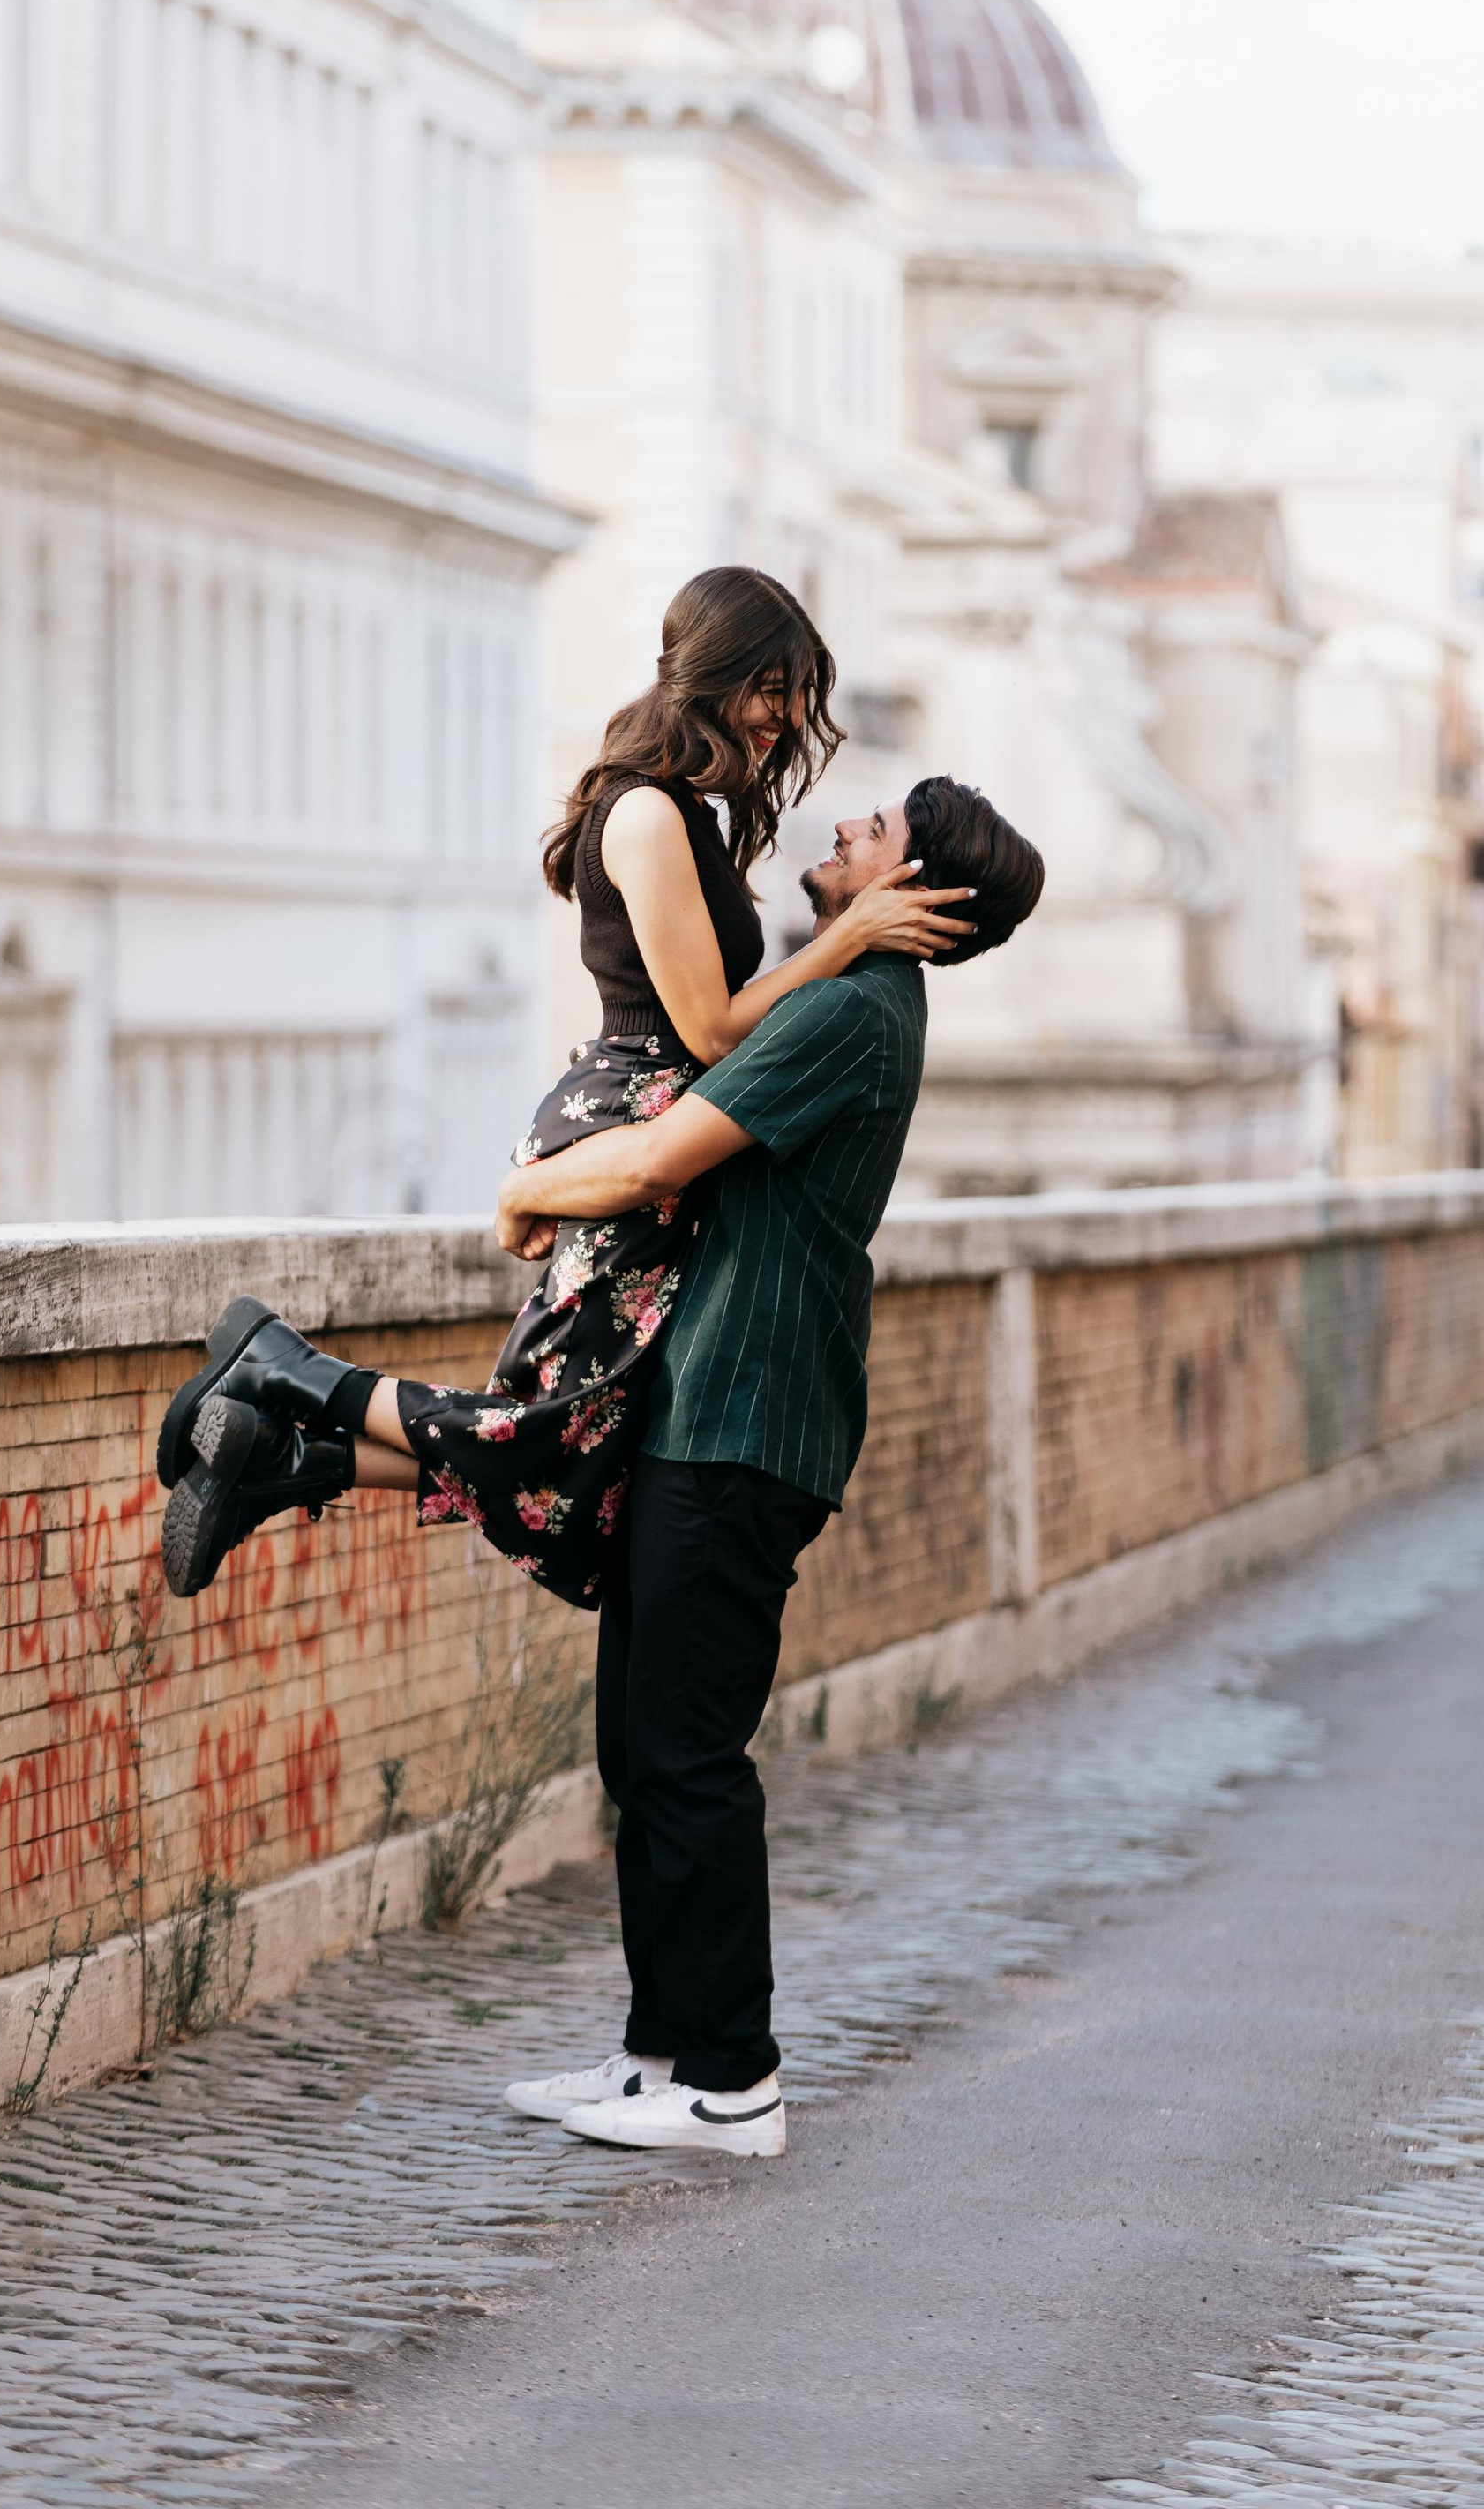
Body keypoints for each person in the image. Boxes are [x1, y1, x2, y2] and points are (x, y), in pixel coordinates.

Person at [154, 566, 969, 1606]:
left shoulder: (690, 815)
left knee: (584, 1458)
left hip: (646, 1124)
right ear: (717, 672)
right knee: (560, 1430)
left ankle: (293, 1456)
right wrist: (846, 936)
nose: (790, 717)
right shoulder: (646, 817)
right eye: (777, 686)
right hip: (630, 1125)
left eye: (799, 692)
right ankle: (283, 1372)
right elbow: (712, 1028)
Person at [496, 773, 1044, 2163]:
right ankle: (660, 2057)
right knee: (643, 1740)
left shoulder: (850, 1012)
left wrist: (520, 1188)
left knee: (686, 1750)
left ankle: (734, 2080)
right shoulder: (845, 999)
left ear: (917, 899)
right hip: (714, 1411)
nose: (845, 827)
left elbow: (661, 1157)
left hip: (750, 1419)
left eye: (879, 835)